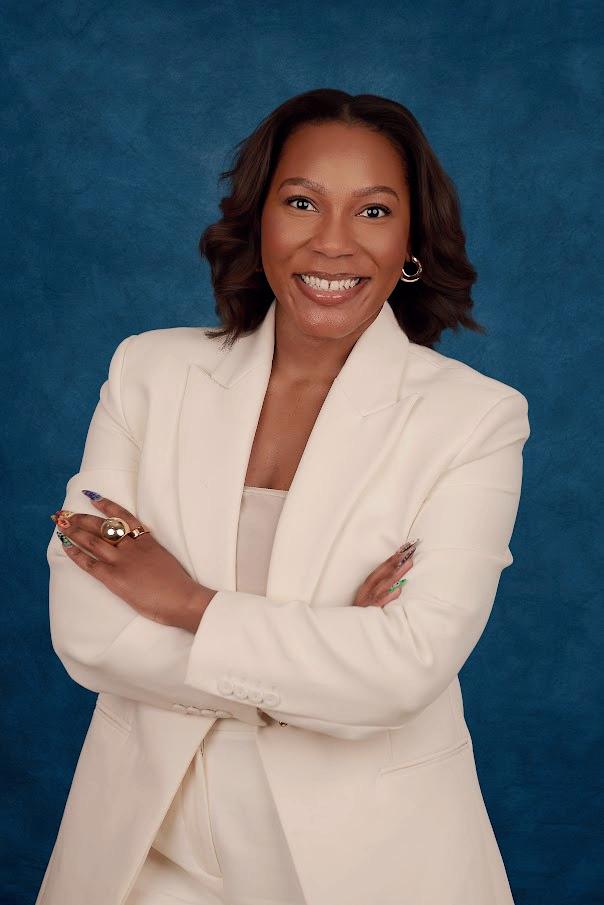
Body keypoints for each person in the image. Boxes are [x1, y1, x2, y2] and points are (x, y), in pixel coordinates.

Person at [37, 89, 530, 905]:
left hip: (367, 864)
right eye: (301, 202)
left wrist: (186, 602)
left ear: (411, 240)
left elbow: (404, 670)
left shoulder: (474, 419)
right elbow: (88, 629)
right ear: (258, 219)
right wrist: (325, 666)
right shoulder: (149, 373)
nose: (332, 241)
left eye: (373, 211)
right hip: (146, 856)